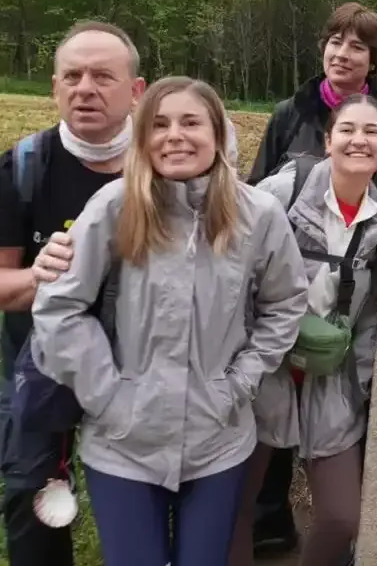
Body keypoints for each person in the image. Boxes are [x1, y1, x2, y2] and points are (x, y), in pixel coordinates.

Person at [30, 76, 308, 566]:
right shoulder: (112, 207)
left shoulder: (259, 215)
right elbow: (60, 308)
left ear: (218, 133)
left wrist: (237, 383)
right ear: (142, 138)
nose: (174, 135)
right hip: (123, 443)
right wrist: (110, 395)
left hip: (218, 437)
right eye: (158, 124)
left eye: (190, 122)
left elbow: (284, 304)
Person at [229, 93, 377, 566]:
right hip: (259, 370)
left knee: (342, 516)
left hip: (331, 378)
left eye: (372, 132)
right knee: (233, 509)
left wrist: (358, 382)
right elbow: (230, 269)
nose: (358, 140)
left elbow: (372, 316)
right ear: (328, 140)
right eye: (347, 130)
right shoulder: (281, 192)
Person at [0, 21, 145, 566]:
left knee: (148, 499)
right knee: (29, 496)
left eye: (103, 76)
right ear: (54, 88)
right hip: (40, 368)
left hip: (138, 367)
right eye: (72, 76)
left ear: (135, 91)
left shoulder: (164, 171)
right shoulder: (23, 168)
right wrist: (39, 277)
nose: (85, 87)